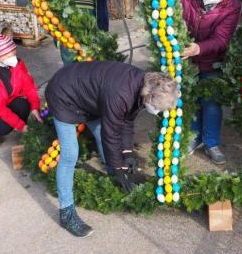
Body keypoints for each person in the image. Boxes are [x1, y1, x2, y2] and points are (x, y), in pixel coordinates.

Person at [45, 61, 179, 237]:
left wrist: (127, 153)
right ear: (149, 97)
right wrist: (119, 167)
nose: (156, 111)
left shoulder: (145, 84)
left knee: (100, 133)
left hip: (88, 97)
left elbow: (127, 120)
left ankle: (112, 174)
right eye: (157, 108)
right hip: (63, 95)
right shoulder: (122, 94)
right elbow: (112, 133)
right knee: (70, 154)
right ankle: (66, 212)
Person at [180, 0, 241, 165]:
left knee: (211, 102)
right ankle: (193, 136)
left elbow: (221, 39)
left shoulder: (231, 6)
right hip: (185, 59)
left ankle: (211, 142)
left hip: (210, 60)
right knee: (191, 100)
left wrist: (198, 48)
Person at [0, 35, 42, 145]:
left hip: (10, 100)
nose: (13, 58)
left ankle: (18, 124)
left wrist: (35, 107)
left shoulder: (17, 64)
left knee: (24, 105)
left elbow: (29, 87)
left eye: (14, 54)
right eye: (8, 55)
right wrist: (20, 126)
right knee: (5, 127)